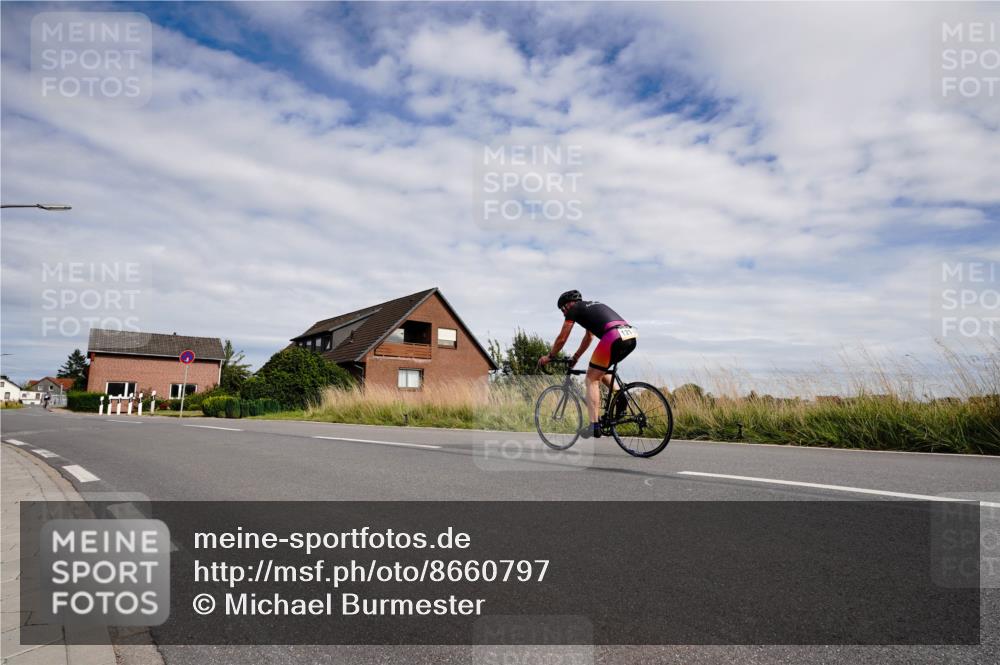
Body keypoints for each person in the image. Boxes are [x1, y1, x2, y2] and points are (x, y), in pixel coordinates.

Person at [538, 290, 637, 438]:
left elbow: (562, 338)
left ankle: (594, 426)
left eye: (563, 309)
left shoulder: (574, 309)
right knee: (599, 371)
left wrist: (550, 356)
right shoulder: (590, 306)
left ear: (569, 304)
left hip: (613, 337)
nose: (564, 313)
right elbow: (589, 337)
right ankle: (620, 395)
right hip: (630, 336)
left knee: (591, 379)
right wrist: (576, 357)